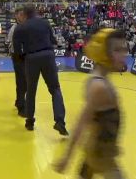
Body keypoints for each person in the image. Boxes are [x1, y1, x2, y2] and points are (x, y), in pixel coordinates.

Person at [53, 28, 128, 179]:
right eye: (118, 50)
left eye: (124, 49)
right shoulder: (99, 87)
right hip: (101, 156)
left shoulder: (98, 81)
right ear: (103, 53)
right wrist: (66, 157)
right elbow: (81, 123)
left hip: (95, 150)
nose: (124, 55)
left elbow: (94, 122)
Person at [14, 5, 68, 136]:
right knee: (55, 89)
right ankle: (60, 121)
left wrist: (23, 58)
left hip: (31, 58)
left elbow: (16, 49)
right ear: (35, 13)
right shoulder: (45, 23)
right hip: (48, 55)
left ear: (25, 15)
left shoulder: (21, 27)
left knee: (31, 91)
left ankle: (30, 121)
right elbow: (53, 40)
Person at [7, 7, 27, 117]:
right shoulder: (15, 28)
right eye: (20, 14)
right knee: (21, 82)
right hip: (18, 56)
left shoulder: (25, 27)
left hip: (24, 56)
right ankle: (21, 106)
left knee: (24, 82)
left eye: (23, 14)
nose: (22, 16)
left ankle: (19, 101)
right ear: (16, 16)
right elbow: (11, 44)